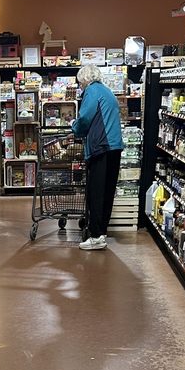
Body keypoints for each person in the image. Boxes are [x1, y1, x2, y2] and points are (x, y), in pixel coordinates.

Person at [71, 64, 123, 251]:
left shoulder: (92, 91)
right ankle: (101, 233)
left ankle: (95, 236)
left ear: (85, 79)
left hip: (101, 146)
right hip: (114, 146)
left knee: (96, 192)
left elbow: (85, 118)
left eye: (80, 83)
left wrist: (74, 127)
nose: (80, 87)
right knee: (107, 192)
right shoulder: (107, 91)